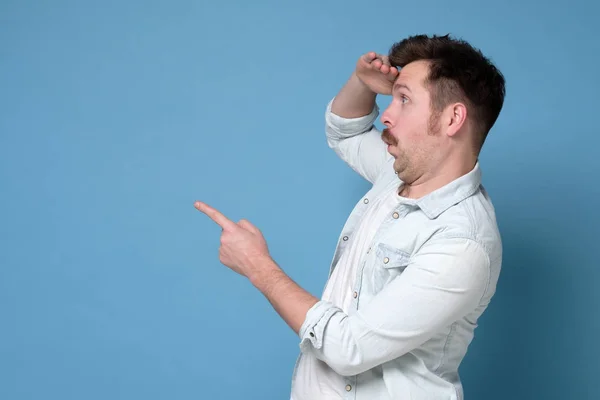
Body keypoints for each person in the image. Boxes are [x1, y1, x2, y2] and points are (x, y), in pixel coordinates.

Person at [194, 33, 506, 399]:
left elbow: (348, 347)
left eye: (404, 100)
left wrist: (257, 266)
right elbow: (346, 131)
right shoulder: (398, 174)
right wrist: (362, 83)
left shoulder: (462, 242)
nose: (386, 115)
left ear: (453, 118)